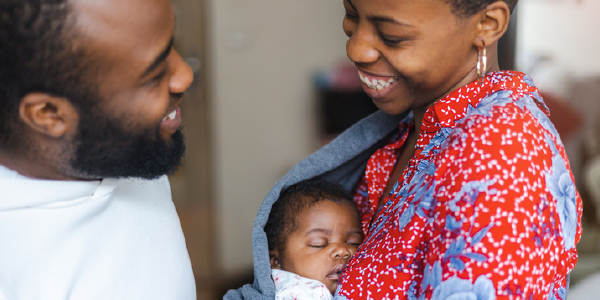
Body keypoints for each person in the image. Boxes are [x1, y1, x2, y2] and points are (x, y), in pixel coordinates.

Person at [226, 0, 582, 299]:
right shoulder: (411, 129)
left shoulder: (502, 154)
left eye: (392, 35)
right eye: (351, 14)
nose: (356, 49)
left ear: (487, 24)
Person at [0, 0, 196, 299]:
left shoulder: (117, 146)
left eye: (171, 42)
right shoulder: (18, 269)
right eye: (154, 74)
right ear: (49, 113)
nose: (185, 75)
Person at [264, 180, 363, 299]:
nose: (343, 251)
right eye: (319, 244)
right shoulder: (296, 292)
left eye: (354, 242)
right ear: (276, 262)